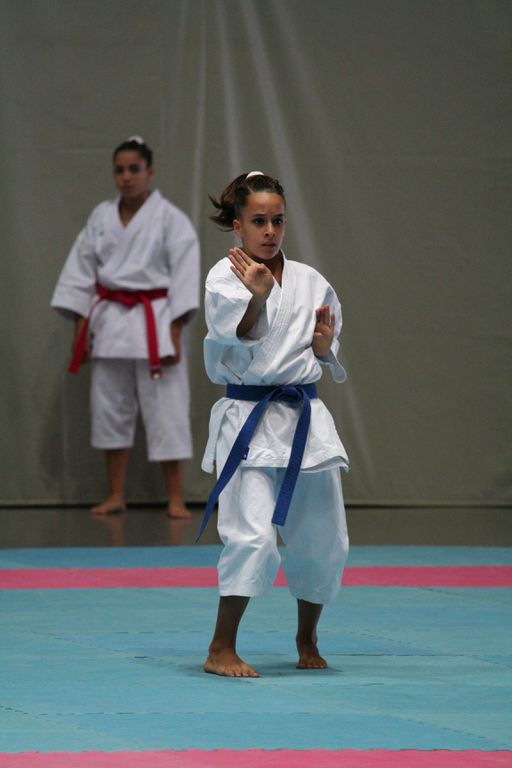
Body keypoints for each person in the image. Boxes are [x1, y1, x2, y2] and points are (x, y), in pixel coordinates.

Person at [200, 171, 349, 677]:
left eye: (278, 220)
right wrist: (258, 297)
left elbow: (325, 347)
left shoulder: (311, 280)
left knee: (325, 538)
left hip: (305, 419)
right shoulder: (225, 277)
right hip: (249, 418)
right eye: (258, 221)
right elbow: (231, 335)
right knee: (251, 537)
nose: (269, 231)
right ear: (238, 226)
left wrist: (324, 350)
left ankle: (307, 638)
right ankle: (221, 647)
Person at [51, 137, 200, 519]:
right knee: (109, 410)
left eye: (134, 169)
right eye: (119, 170)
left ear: (149, 172)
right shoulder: (100, 218)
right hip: (111, 323)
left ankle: (176, 498)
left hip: (156, 323)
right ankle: (116, 494)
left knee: (167, 411)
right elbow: (81, 275)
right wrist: (80, 331)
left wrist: (176, 332)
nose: (126, 177)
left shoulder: (171, 219)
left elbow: (185, 277)